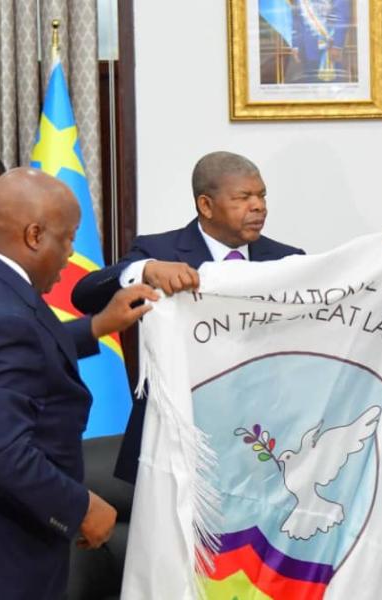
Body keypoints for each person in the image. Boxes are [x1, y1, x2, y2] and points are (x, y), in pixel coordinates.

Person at [71, 150, 305, 484]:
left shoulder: (286, 259)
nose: (259, 206)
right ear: (206, 205)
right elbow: (84, 294)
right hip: (176, 435)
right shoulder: (159, 251)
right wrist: (145, 270)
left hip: (262, 440)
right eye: (243, 197)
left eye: (262, 195)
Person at [0, 167, 157, 599]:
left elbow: (20, 349)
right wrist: (79, 507)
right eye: (68, 237)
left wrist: (97, 325)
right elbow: (1, 449)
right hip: (7, 549)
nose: (72, 253)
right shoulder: (6, 316)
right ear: (35, 235)